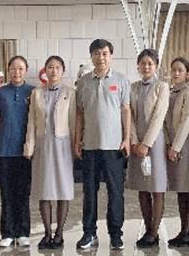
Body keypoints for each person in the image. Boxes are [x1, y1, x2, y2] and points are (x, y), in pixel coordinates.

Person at [74, 39, 131, 251]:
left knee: (115, 192)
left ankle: (116, 235)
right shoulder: (83, 82)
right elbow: (79, 114)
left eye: (105, 53)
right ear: (91, 56)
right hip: (89, 146)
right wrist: (77, 140)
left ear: (111, 56)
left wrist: (127, 138)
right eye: (97, 54)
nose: (101, 57)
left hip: (114, 147)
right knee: (89, 192)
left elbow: (126, 110)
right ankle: (89, 233)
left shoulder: (121, 80)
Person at [24, 55, 76, 250]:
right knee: (43, 189)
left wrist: (76, 146)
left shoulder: (70, 93)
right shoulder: (37, 93)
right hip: (42, 144)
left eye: (57, 67)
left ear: (63, 71)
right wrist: (29, 145)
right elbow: (31, 122)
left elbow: (74, 122)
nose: (54, 71)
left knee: (63, 189)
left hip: (63, 145)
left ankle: (59, 233)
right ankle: (47, 233)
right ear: (45, 71)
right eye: (50, 67)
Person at [0, 56, 34, 248]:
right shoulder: (0, 93)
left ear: (26, 70)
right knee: (6, 193)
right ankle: (7, 232)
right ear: (8, 70)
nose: (17, 72)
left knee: (23, 193)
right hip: (4, 151)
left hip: (25, 152)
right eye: (13, 68)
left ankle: (22, 232)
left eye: (20, 68)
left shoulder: (33, 92)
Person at [126, 49, 170, 248]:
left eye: (150, 64)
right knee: (142, 187)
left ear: (156, 66)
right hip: (136, 143)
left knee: (156, 187)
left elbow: (159, 117)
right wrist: (135, 141)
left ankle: (154, 232)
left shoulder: (162, 87)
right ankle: (148, 230)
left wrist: (146, 144)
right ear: (138, 66)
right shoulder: (132, 87)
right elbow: (129, 116)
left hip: (155, 143)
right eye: (143, 63)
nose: (146, 67)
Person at [165, 57, 189, 247]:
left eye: (180, 70)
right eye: (174, 70)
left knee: (188, 189)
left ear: (187, 74)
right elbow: (166, 121)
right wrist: (168, 143)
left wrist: (176, 147)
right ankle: (183, 230)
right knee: (180, 190)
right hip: (172, 145)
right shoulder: (170, 93)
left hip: (185, 145)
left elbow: (187, 122)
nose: (176, 73)